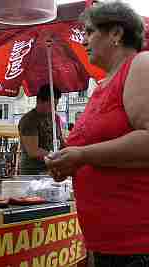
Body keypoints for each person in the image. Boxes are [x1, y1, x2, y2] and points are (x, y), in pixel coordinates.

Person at [45, 2, 149, 266]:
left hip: (137, 243)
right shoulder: (102, 85)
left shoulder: (140, 64)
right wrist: (68, 163)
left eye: (90, 32)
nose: (84, 41)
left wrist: (82, 155)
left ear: (116, 33)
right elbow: (101, 154)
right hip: (106, 244)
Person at [18, 85, 64, 175]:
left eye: (56, 104)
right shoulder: (29, 120)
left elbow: (60, 141)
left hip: (51, 169)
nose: (54, 108)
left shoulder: (55, 117)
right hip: (33, 171)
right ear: (39, 101)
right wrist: (55, 156)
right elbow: (33, 151)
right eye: (52, 105)